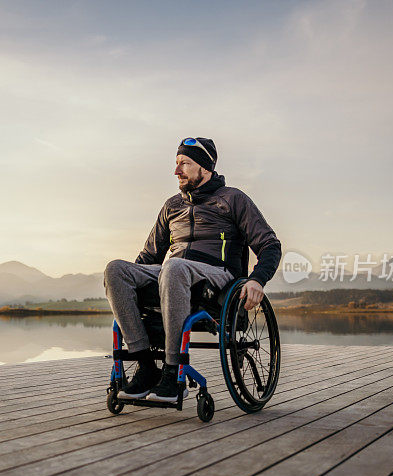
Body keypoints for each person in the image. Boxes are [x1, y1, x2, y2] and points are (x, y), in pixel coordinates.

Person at [104, 137, 281, 402]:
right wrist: (130, 284)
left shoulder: (233, 199)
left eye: (184, 163)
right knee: (115, 270)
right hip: (171, 275)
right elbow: (149, 255)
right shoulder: (172, 206)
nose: (177, 171)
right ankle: (147, 367)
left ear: (205, 167)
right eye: (177, 163)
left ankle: (173, 371)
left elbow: (270, 245)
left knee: (173, 267)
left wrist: (257, 280)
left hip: (217, 276)